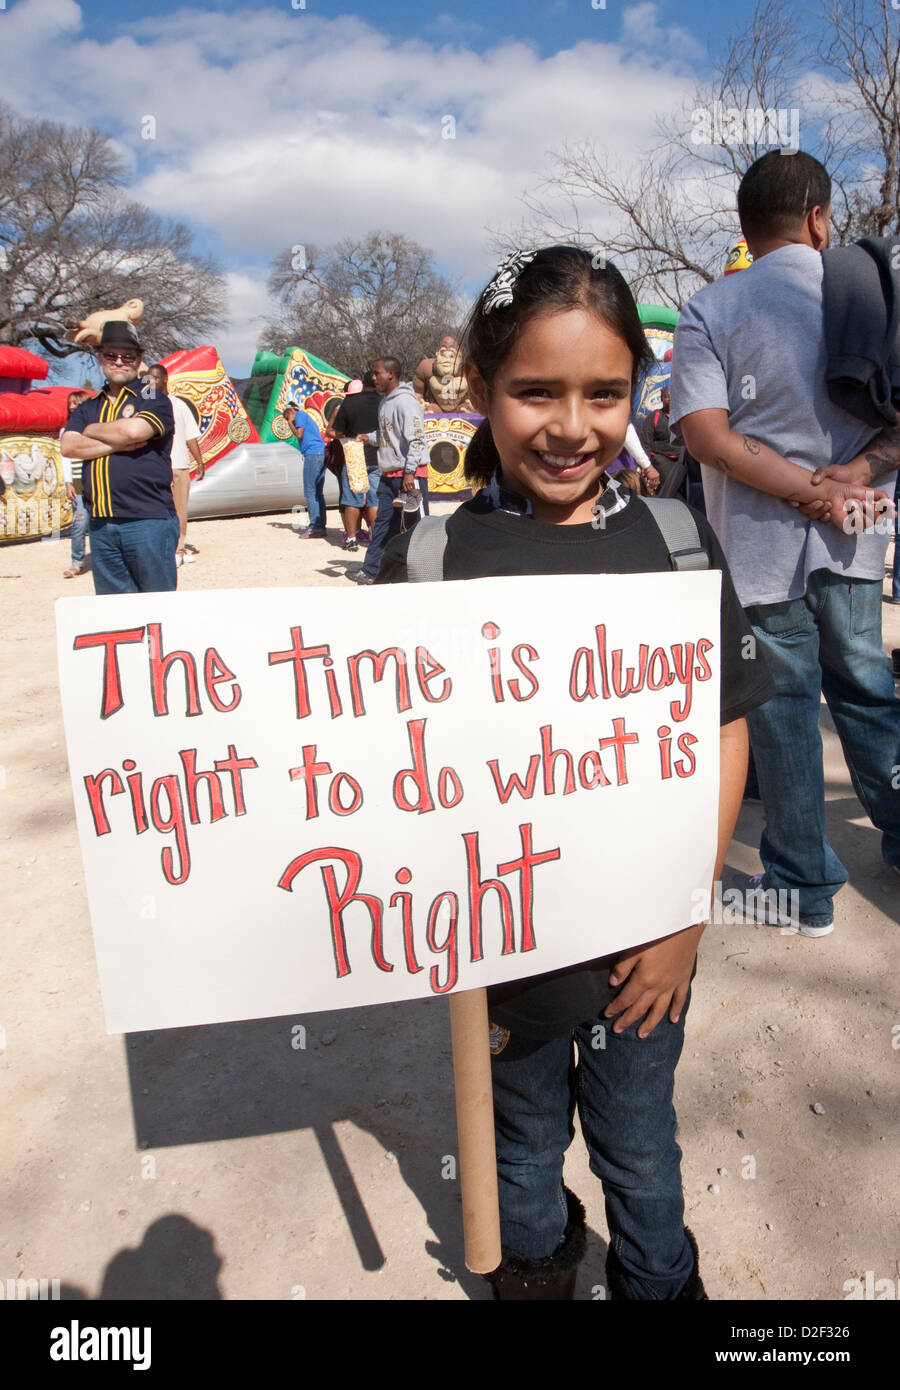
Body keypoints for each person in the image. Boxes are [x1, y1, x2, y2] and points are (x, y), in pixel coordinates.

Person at [377, 245, 775, 1299]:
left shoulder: (678, 544)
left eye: (605, 393)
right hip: (499, 967)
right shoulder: (428, 561)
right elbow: (378, 758)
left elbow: (725, 732)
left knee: (641, 1149)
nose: (572, 424)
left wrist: (685, 918)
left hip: (644, 957)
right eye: (535, 391)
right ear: (478, 386)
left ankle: (659, 1280)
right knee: (517, 1146)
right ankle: (539, 1269)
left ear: (638, 392)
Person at [671, 150, 900, 930]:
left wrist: (804, 489)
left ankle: (805, 890)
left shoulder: (711, 307)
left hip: (761, 543)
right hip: (863, 526)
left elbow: (706, 436)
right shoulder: (874, 298)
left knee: (785, 708)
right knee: (868, 689)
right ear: (817, 218)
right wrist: (851, 479)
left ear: (746, 227)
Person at [60, 321, 178, 594]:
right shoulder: (90, 405)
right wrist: (116, 443)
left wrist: (90, 431)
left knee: (157, 607)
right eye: (111, 355)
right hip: (100, 523)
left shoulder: (151, 396)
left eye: (128, 356)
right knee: (115, 614)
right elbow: (68, 445)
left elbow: (135, 429)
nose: (119, 361)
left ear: (138, 360)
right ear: (100, 357)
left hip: (147, 518)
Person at [355, 357, 430, 585]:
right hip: (389, 477)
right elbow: (389, 435)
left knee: (416, 525)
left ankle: (426, 569)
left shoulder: (406, 402)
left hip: (409, 476)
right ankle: (371, 571)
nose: (373, 377)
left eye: (377, 373)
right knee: (384, 524)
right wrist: (368, 437)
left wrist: (410, 472)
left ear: (391, 375)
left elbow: (416, 440)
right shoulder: (384, 402)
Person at [144, 364, 204, 567]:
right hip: (155, 468)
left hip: (179, 466)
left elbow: (191, 437)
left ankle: (179, 549)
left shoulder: (178, 405)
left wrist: (200, 461)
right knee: (159, 510)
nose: (151, 382)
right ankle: (165, 548)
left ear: (165, 379)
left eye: (155, 378)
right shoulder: (146, 405)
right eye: (148, 379)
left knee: (180, 510)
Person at [331, 370, 380, 551]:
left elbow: (337, 430)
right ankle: (376, 537)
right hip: (378, 455)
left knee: (352, 499)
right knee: (375, 500)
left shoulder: (349, 403)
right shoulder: (384, 403)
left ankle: (351, 538)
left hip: (354, 455)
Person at [61, 389, 92, 578]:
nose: (72, 406)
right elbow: (64, 457)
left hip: (94, 479)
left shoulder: (94, 427)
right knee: (80, 521)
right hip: (77, 482)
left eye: (76, 402)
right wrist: (67, 482)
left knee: (99, 520)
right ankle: (76, 562)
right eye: (70, 403)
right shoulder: (65, 430)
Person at [284, 402, 327, 538]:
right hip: (320, 453)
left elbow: (299, 434)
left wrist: (290, 422)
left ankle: (315, 526)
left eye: (285, 415)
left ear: (290, 411)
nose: (286, 419)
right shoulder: (305, 416)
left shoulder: (300, 415)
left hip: (313, 454)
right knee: (317, 492)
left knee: (310, 491)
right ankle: (320, 526)